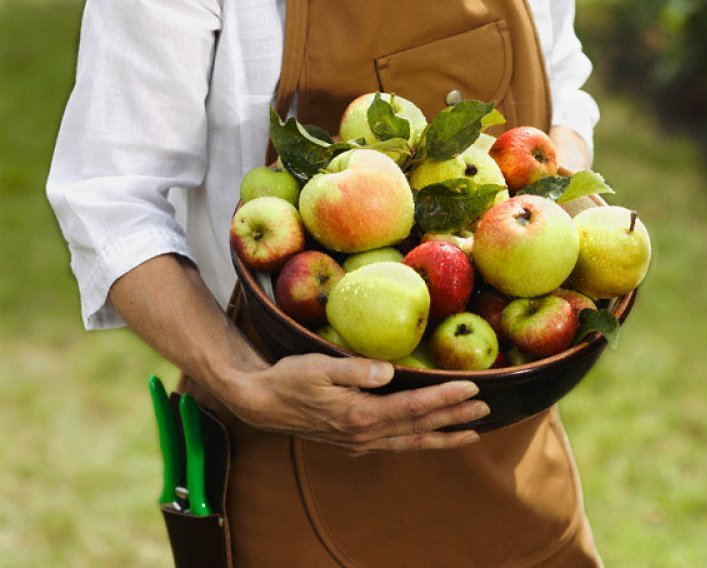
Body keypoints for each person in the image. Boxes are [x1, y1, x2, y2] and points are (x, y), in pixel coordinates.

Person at [47, 0, 601, 565]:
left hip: (520, 461)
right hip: (293, 438)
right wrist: (241, 380)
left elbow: (562, 81)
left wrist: (563, 212)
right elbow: (110, 200)